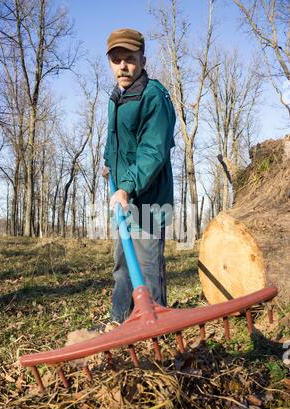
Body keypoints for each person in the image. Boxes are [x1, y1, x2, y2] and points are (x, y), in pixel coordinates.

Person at [103, 28, 176, 323]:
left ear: (143, 60)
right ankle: (120, 321)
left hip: (148, 200)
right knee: (122, 266)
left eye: (130, 59)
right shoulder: (117, 97)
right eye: (116, 59)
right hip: (124, 197)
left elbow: (152, 151)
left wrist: (127, 186)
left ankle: (154, 325)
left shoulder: (154, 97)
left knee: (146, 266)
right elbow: (114, 140)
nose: (123, 66)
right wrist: (109, 162)